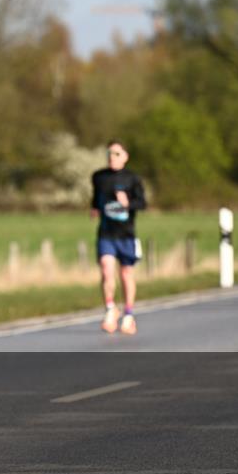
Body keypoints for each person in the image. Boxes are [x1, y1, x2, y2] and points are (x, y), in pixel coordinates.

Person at [90, 141, 146, 335]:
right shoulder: (99, 177)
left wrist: (127, 203)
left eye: (116, 153)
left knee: (125, 274)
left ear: (125, 156)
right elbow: (96, 198)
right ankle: (110, 308)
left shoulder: (132, 178)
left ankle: (129, 315)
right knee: (106, 269)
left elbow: (142, 203)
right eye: (109, 153)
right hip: (106, 233)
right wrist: (95, 209)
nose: (111, 157)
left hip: (126, 234)